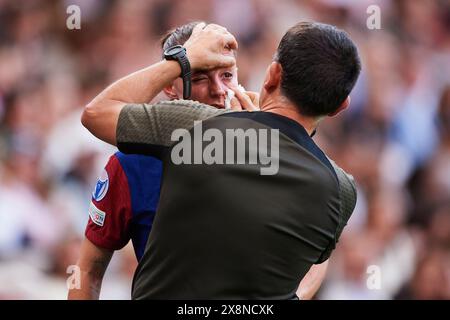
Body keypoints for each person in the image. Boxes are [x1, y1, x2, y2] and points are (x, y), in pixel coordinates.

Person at [81, 21, 360, 299]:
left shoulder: (199, 129)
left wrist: (257, 133)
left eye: (227, 75)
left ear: (269, 75)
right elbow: (88, 272)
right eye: (199, 76)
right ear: (168, 87)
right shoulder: (132, 165)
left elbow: (97, 113)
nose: (218, 90)